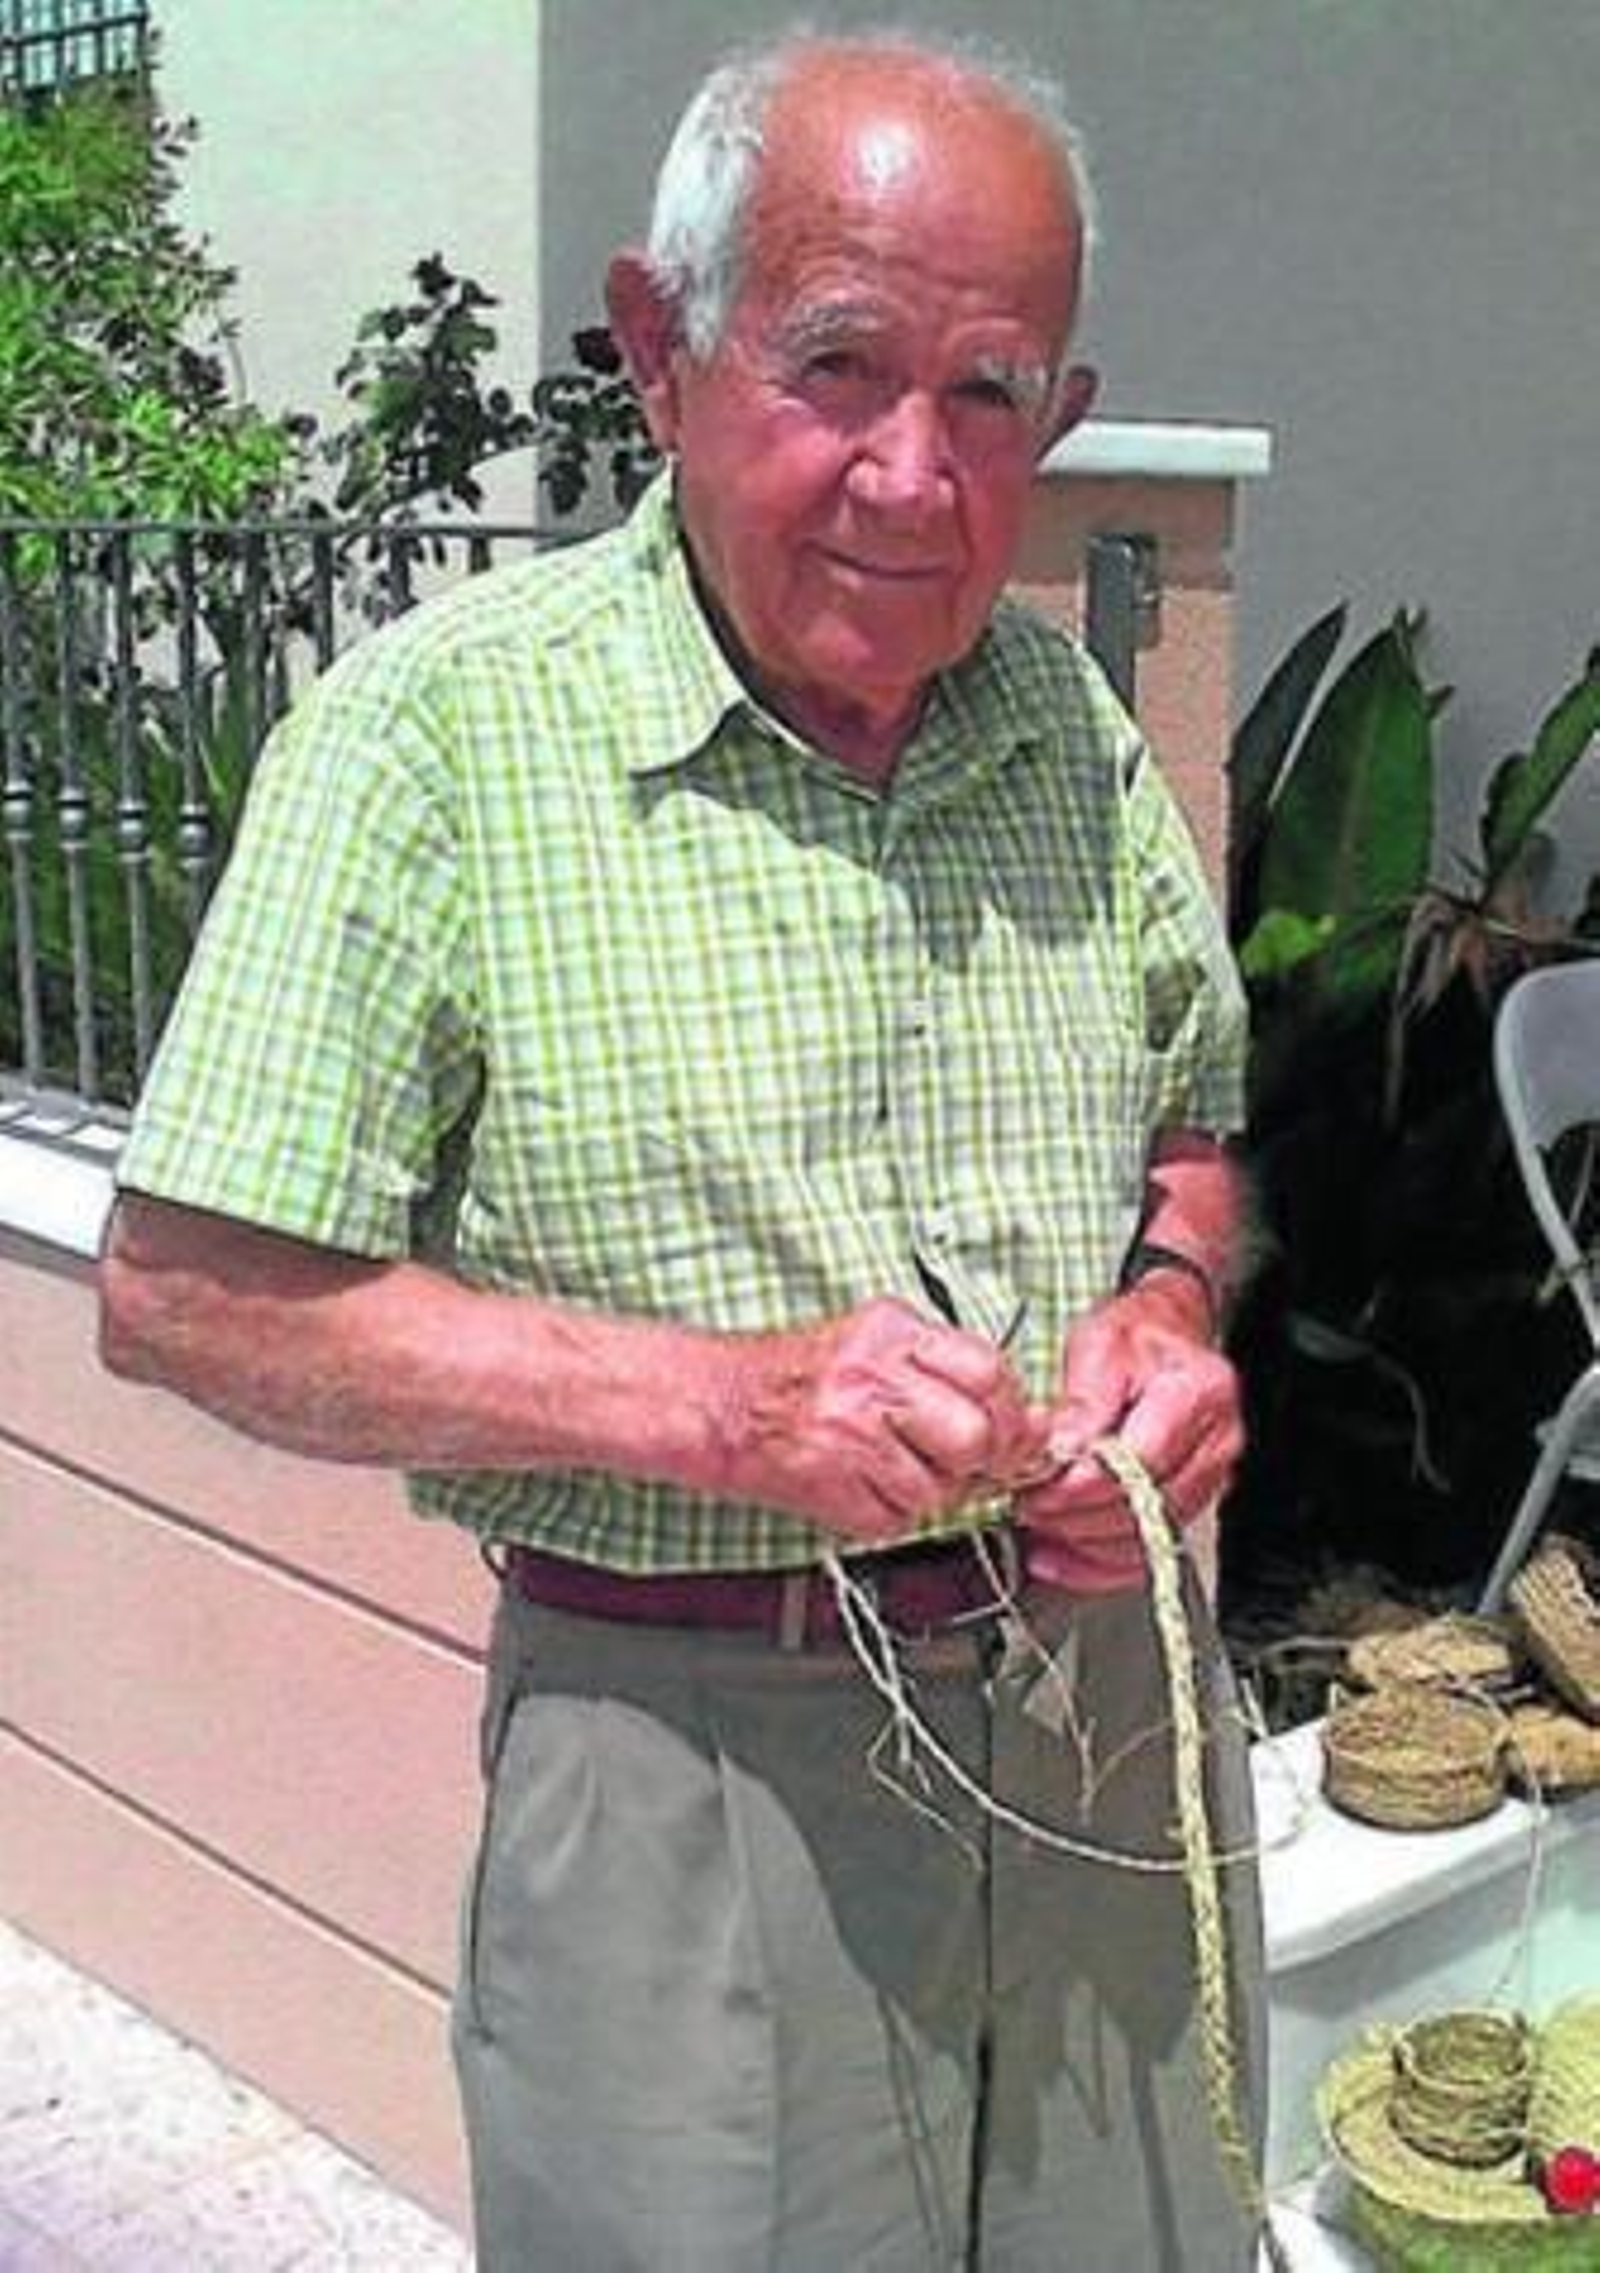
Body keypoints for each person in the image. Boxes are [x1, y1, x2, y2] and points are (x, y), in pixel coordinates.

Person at [99, 25, 1265, 2271]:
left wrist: (1164, 1302)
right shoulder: (434, 744)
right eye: (836, 368)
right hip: (691, 1755)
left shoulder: (1065, 731)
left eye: (990, 395)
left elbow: (1185, 1130)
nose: (913, 479)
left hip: (1104, 1722)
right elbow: (182, 1296)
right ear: (658, 348)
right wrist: (722, 1406)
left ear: (1062, 423)